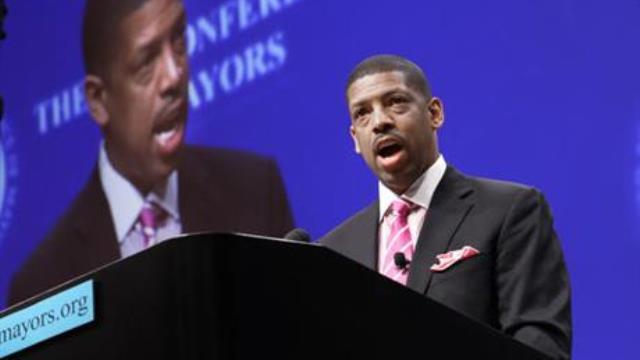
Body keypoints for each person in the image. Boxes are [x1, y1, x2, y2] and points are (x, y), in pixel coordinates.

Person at [8, 0, 293, 305]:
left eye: (180, 40)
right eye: (146, 63)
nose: (174, 76)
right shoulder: (42, 282)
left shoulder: (255, 189)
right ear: (98, 100)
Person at [320, 55, 571, 359]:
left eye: (396, 102)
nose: (380, 122)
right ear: (355, 139)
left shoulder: (510, 210)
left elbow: (538, 342)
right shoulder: (333, 252)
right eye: (362, 113)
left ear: (434, 113)